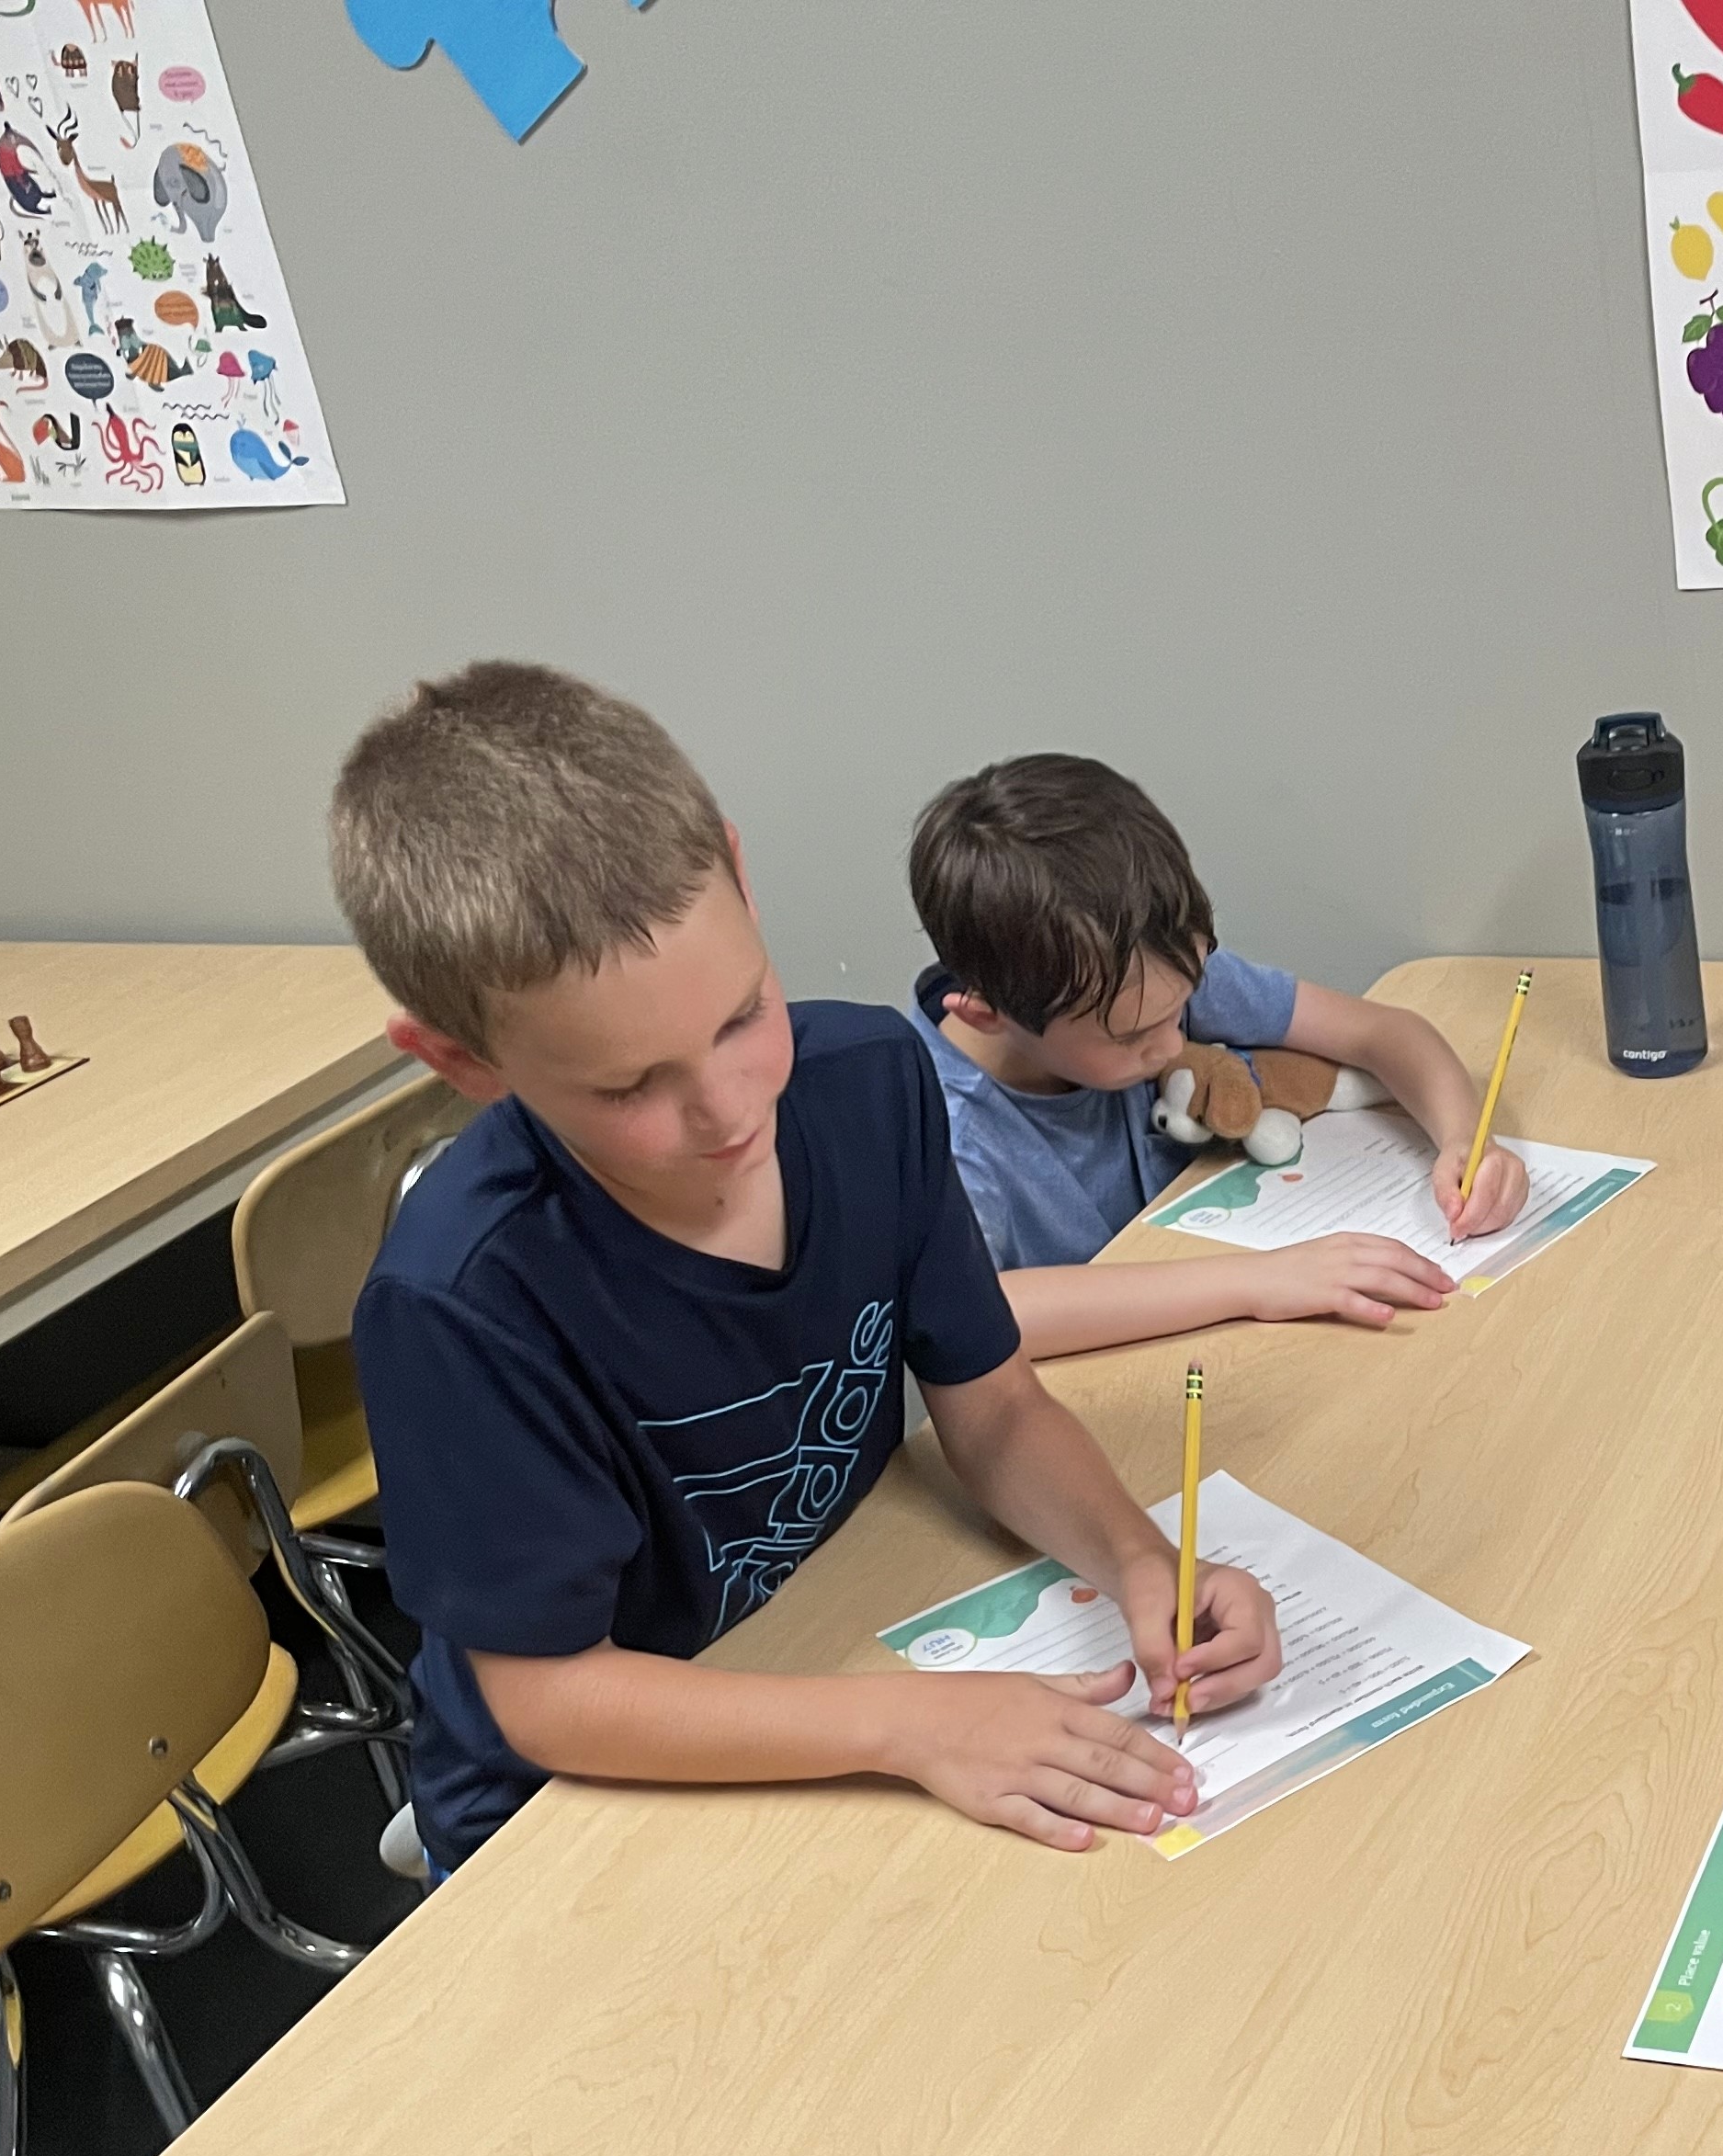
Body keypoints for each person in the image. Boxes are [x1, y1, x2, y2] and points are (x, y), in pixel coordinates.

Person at [336, 663, 1279, 1875]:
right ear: (461, 1062)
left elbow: (991, 1406)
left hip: (825, 1645)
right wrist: (911, 1726)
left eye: (740, 1017)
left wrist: (1143, 1562)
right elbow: (551, 1698)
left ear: (739, 874)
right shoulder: (462, 1303)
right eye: (629, 1086)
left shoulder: (873, 1084)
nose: (730, 1108)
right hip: (574, 1804)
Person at [901, 753, 1534, 1356]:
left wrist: (1464, 1140)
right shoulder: (939, 1126)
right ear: (986, 1014)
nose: (1173, 1043)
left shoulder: (1142, 975)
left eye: (1180, 1007)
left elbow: (1384, 1034)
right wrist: (1254, 1282)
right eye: (1131, 1038)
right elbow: (984, 1312)